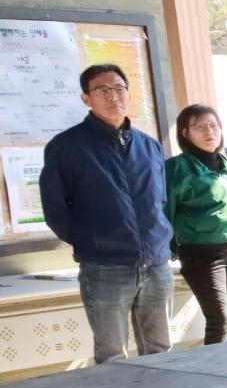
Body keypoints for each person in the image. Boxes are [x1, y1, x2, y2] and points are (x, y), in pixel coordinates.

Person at [41, 63, 175, 363]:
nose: (113, 96)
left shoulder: (149, 146)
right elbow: (55, 209)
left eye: (119, 88)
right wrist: (92, 242)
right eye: (102, 90)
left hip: (156, 264)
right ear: (86, 98)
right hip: (105, 267)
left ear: (128, 94)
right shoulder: (66, 147)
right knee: (112, 356)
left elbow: (160, 200)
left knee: (161, 352)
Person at [165, 103, 227, 345]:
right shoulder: (176, 168)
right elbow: (165, 210)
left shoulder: (226, 163)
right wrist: (169, 248)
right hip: (202, 253)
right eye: (199, 127)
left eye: (213, 125)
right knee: (219, 321)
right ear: (185, 133)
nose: (209, 131)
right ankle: (217, 369)